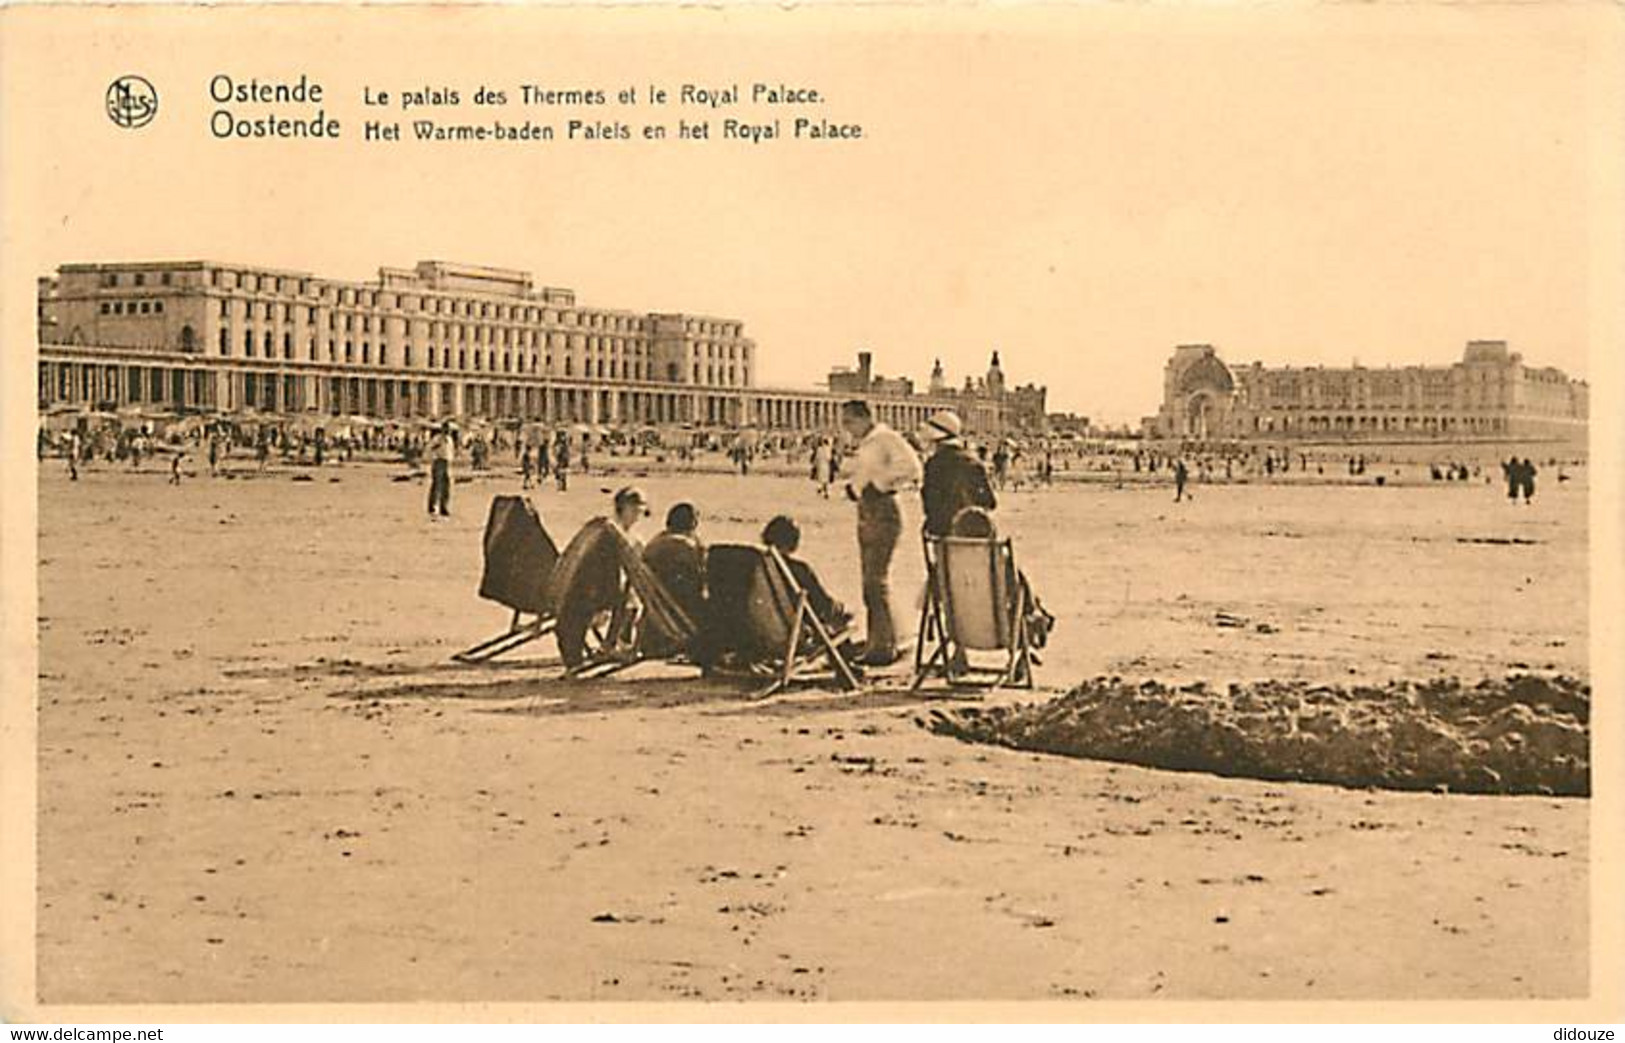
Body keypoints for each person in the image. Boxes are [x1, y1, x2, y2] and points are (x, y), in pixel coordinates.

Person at [839, 399, 922, 666]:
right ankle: (887, 638)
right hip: (869, 508)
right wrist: (856, 488)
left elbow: (911, 467)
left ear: (865, 418)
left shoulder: (885, 438)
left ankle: (883, 646)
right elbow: (866, 473)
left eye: (850, 421)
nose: (846, 428)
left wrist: (880, 484)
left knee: (875, 580)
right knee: (871, 580)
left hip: (883, 509)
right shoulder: (869, 443)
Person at [762, 515, 851, 635]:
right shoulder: (799, 570)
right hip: (795, 633)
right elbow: (822, 604)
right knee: (840, 617)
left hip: (763, 631)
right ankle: (844, 650)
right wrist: (839, 608)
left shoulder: (758, 568)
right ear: (794, 542)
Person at [917, 410, 996, 538]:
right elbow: (990, 501)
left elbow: (930, 503)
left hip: (943, 532)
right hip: (976, 535)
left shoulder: (934, 464)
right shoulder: (974, 462)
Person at [643, 502, 707, 634]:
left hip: (659, 609)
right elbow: (703, 576)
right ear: (694, 524)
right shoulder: (687, 546)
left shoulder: (655, 543)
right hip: (681, 610)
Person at [427, 424, 453, 518]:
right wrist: (437, 446)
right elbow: (430, 448)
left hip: (447, 463)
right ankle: (433, 507)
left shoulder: (449, 439)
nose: (447, 431)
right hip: (438, 461)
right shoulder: (437, 438)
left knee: (446, 486)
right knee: (437, 485)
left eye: (448, 429)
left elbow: (450, 451)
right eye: (446, 429)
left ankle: (444, 507)